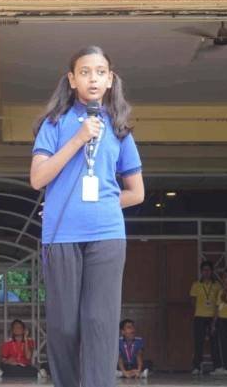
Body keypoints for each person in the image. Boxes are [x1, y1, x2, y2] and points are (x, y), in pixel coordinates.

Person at [29, 45, 144, 387]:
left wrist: (102, 204)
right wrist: (78, 138)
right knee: (64, 326)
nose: (92, 78)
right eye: (84, 72)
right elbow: (38, 178)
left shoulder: (119, 128)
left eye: (100, 72)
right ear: (71, 79)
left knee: (99, 323)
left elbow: (137, 192)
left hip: (107, 235)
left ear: (110, 80)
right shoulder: (54, 124)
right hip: (61, 235)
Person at [189, 260, 222, 375]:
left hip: (213, 317)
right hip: (199, 316)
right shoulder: (196, 285)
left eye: (208, 270)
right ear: (201, 271)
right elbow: (193, 300)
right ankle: (196, 367)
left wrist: (215, 316)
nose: (206, 272)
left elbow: (219, 302)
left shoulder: (217, 285)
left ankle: (217, 367)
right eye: (204, 270)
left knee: (214, 342)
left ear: (212, 271)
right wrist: (198, 309)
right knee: (198, 342)